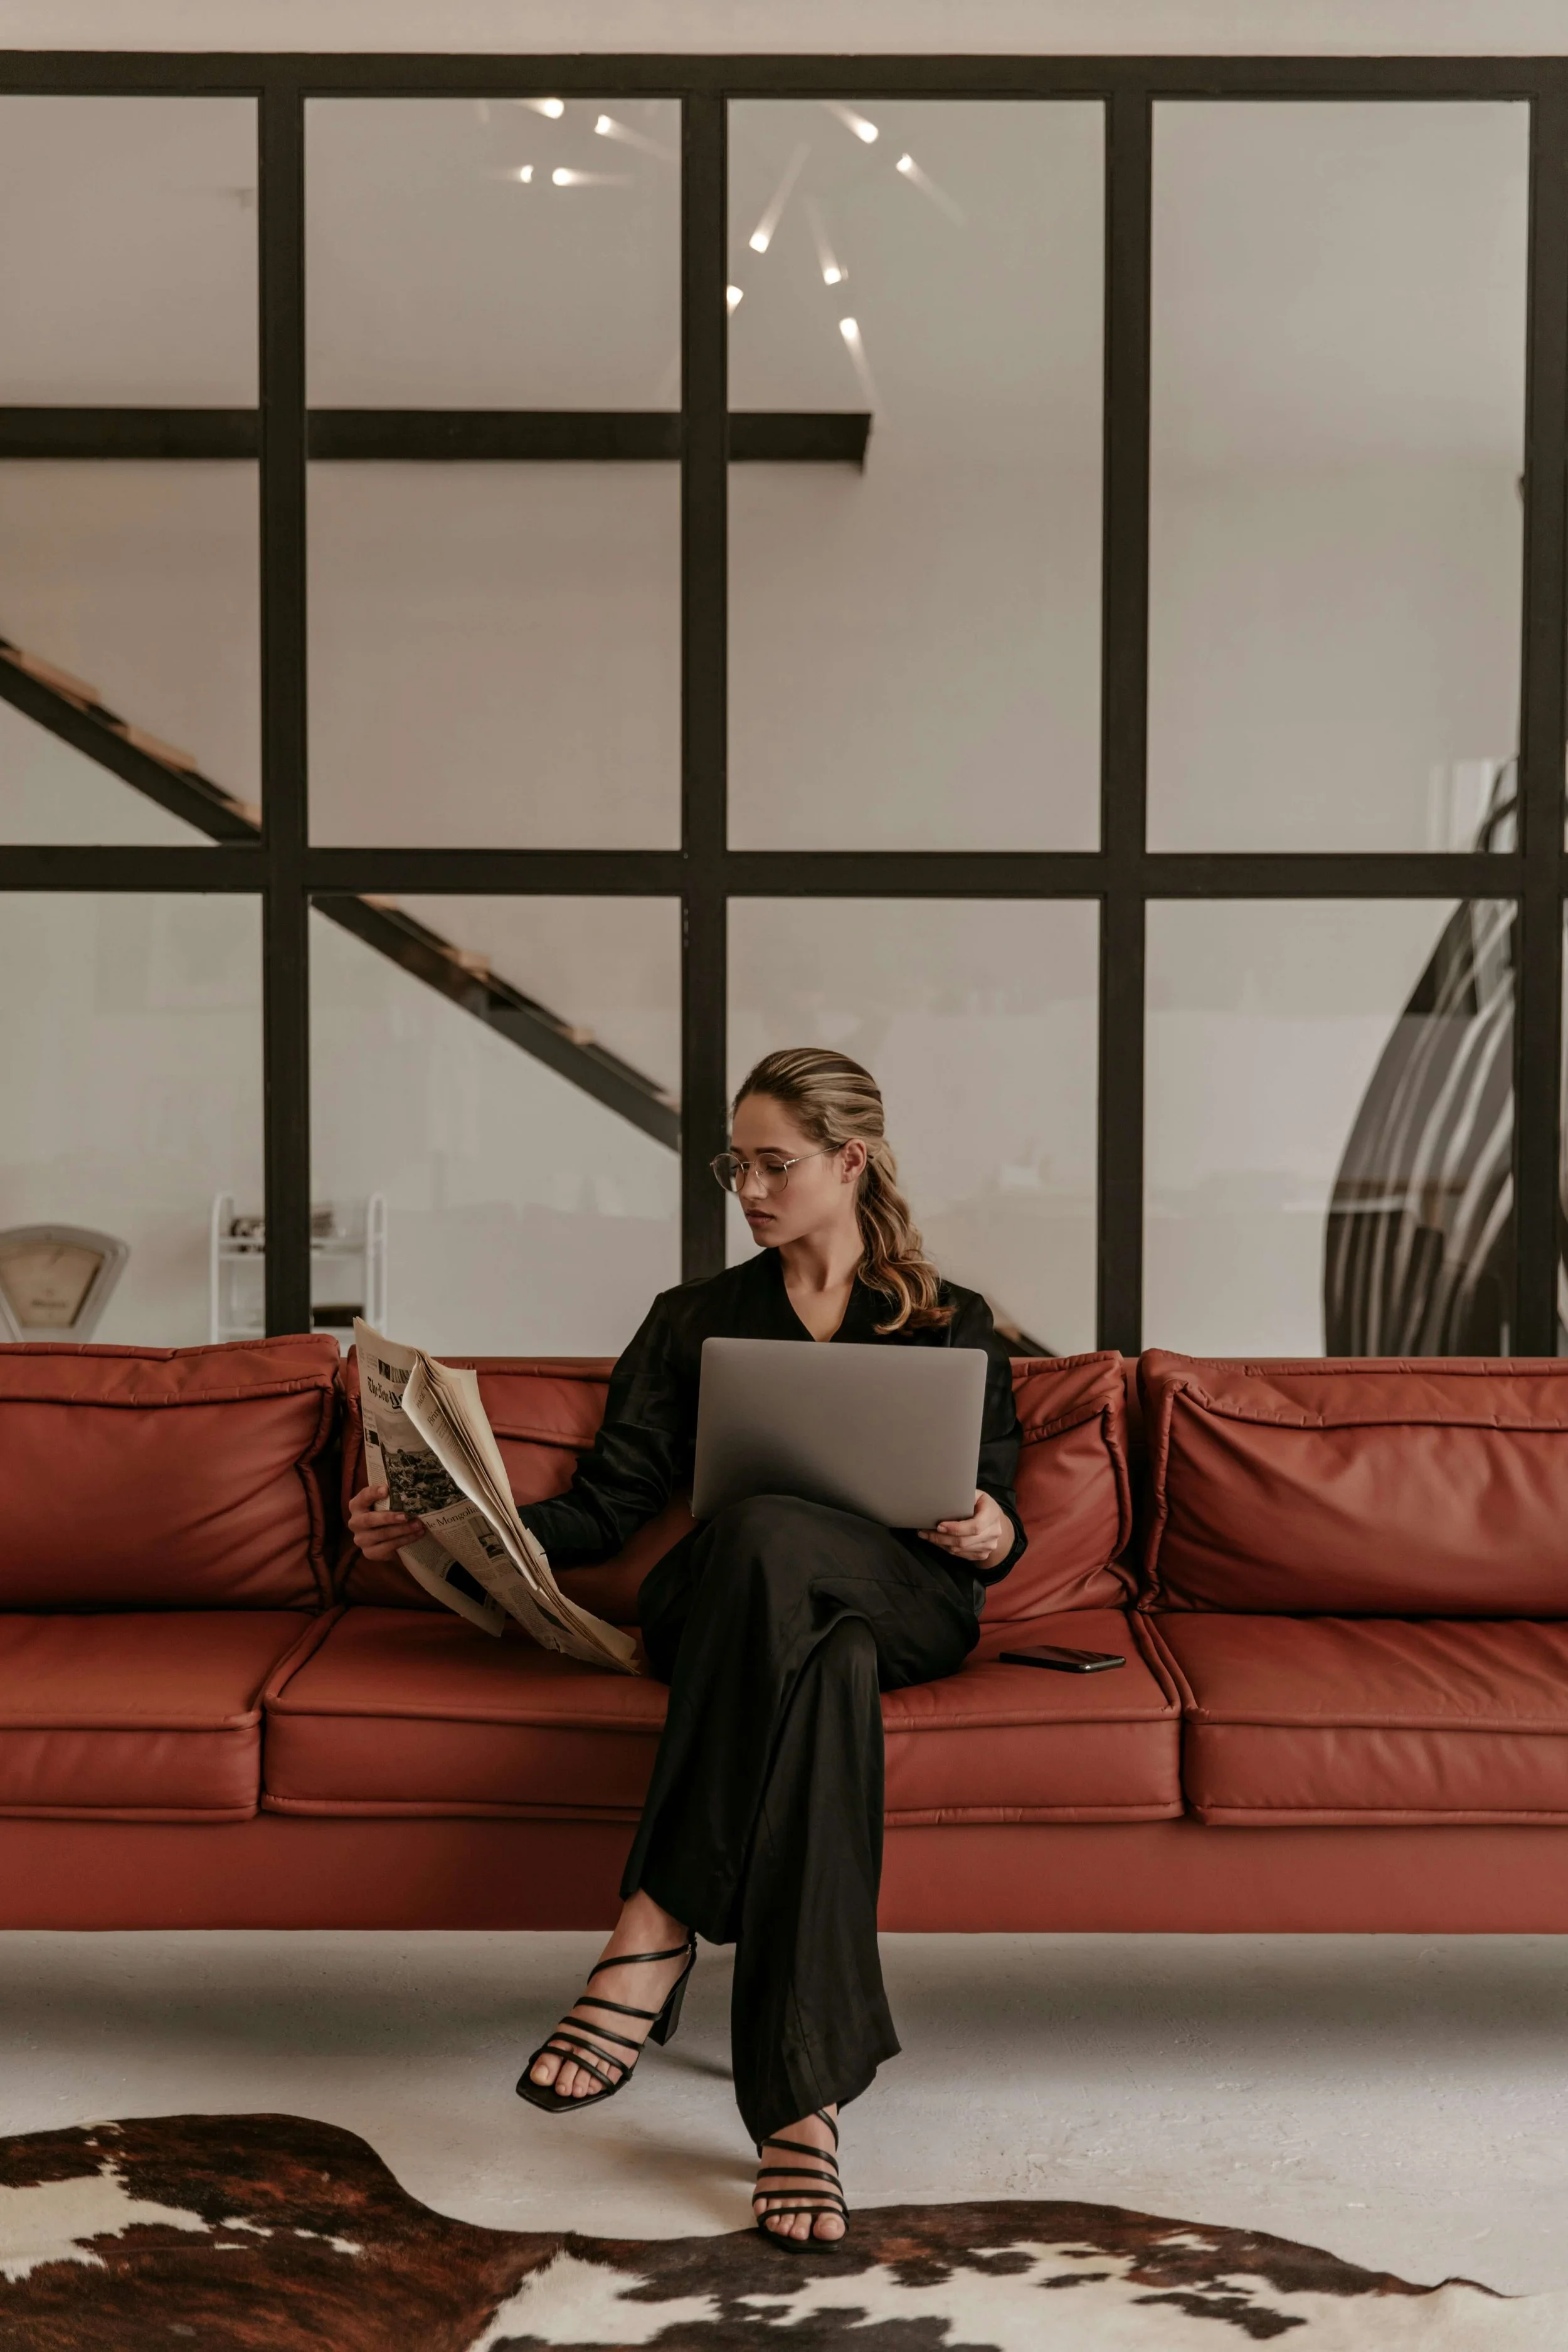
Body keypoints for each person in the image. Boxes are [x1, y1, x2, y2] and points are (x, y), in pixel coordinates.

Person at [347, 1046, 1025, 2247]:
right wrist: (457, 1517)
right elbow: (610, 1504)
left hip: (908, 1593)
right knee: (818, 1651)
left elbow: (991, 1503)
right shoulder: (692, 1320)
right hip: (735, 1613)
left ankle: (657, 1922)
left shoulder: (950, 1319)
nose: (748, 1188)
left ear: (848, 1160)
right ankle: (798, 2102)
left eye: (774, 1164)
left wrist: (990, 1525)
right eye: (736, 1164)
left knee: (799, 1571)